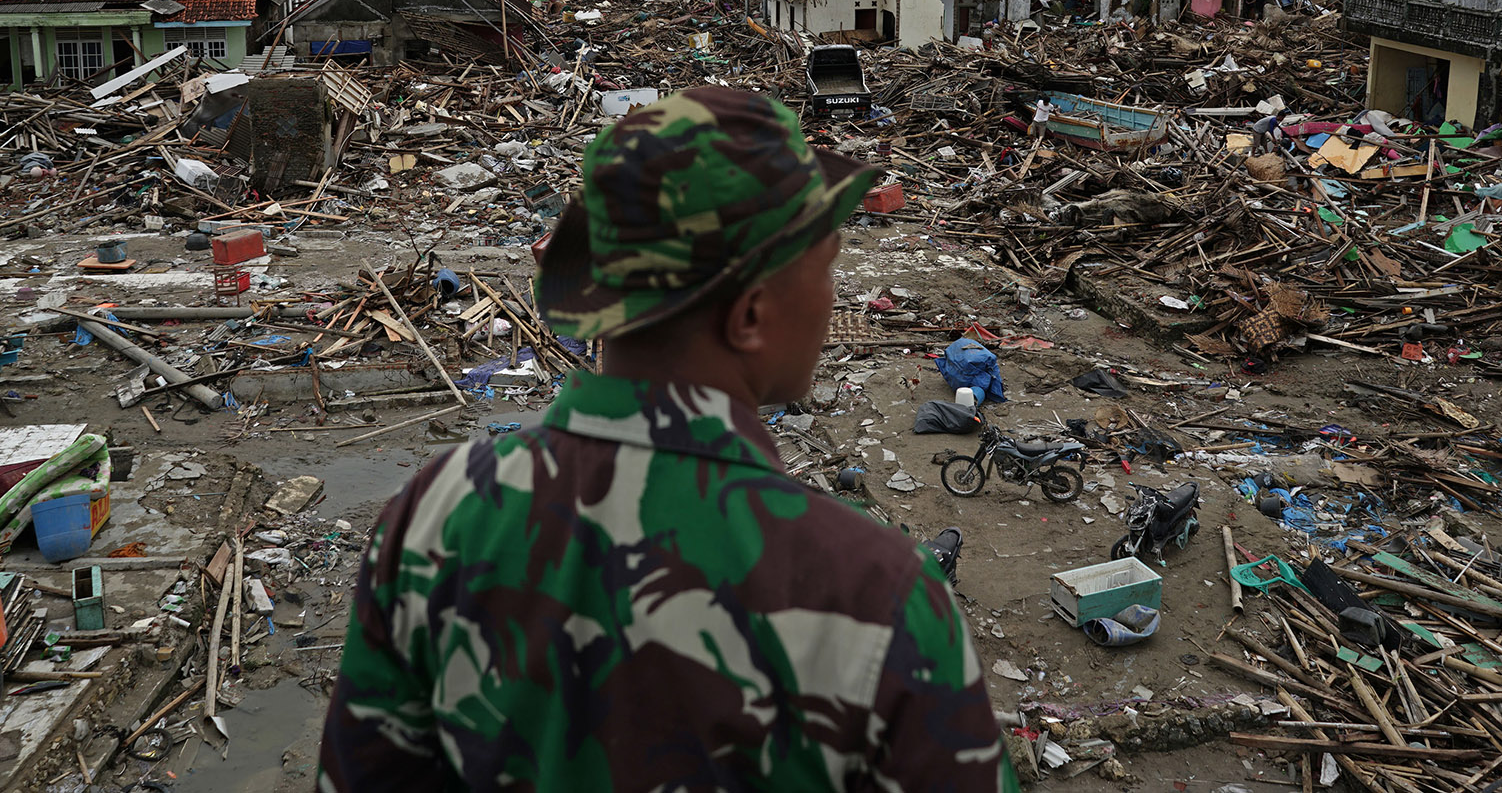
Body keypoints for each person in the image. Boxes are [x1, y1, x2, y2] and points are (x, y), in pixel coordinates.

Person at [320, 85, 1014, 792]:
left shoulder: (433, 515)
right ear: (748, 316)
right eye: (827, 264)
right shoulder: (878, 593)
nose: (834, 295)